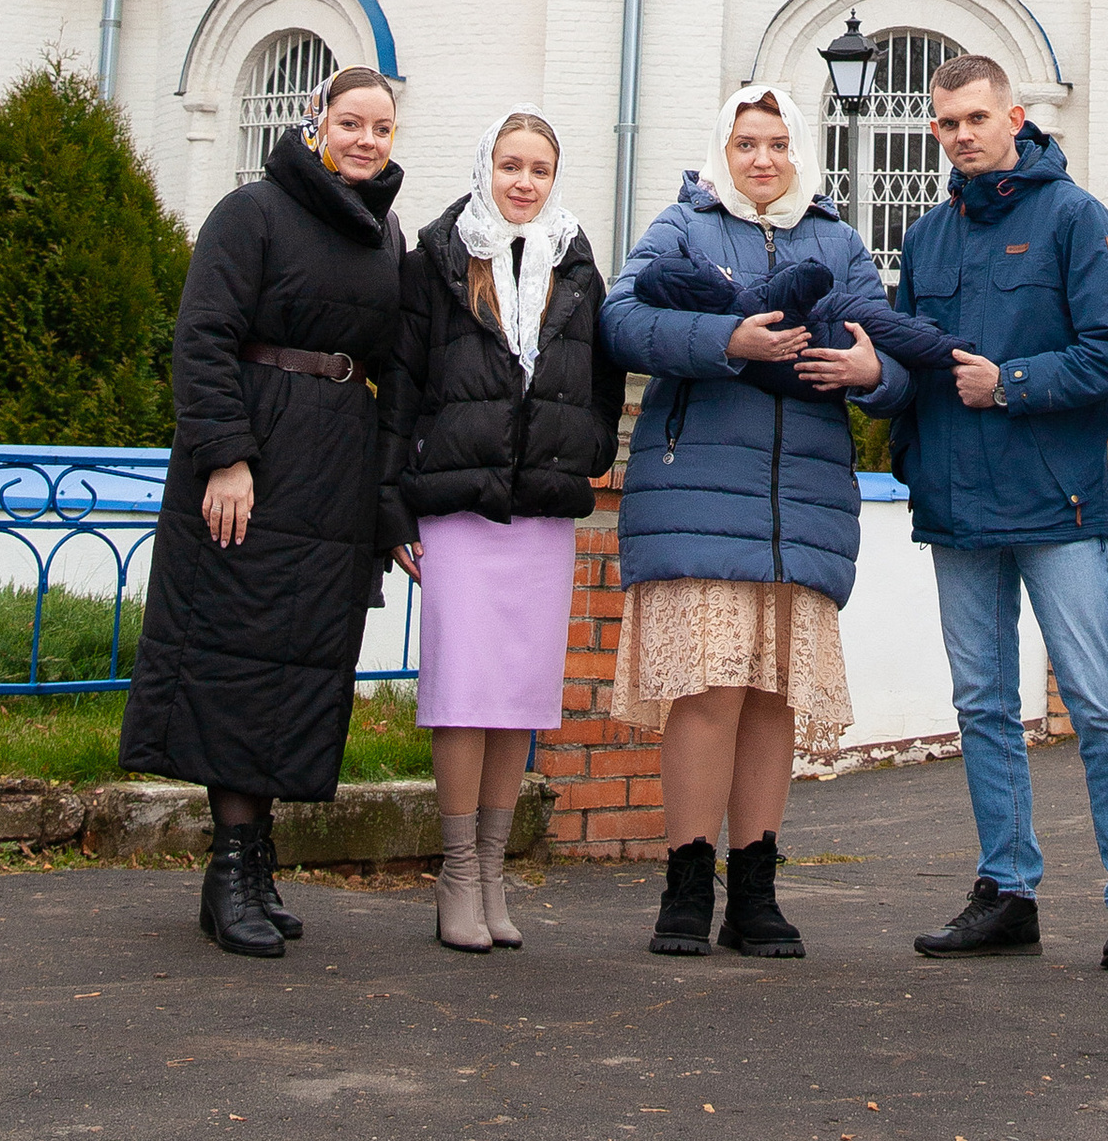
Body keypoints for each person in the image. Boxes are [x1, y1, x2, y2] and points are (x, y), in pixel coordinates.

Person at [602, 86, 909, 960]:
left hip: (802, 505)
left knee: (774, 698)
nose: (763, 159)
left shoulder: (837, 241)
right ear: (723, 150)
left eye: (777, 143)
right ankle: (686, 884)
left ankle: (756, 893)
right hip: (698, 494)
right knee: (707, 694)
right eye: (746, 143)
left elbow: (889, 353)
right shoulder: (683, 226)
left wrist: (871, 375)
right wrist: (726, 342)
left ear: (798, 149)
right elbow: (621, 320)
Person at [121, 65, 407, 960]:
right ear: (315, 122)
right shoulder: (251, 212)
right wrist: (226, 456)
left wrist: (387, 502)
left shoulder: (387, 233)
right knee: (235, 662)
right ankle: (229, 870)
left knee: (297, 669)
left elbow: (394, 364)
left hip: (335, 476)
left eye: (382, 128)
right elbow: (203, 335)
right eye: (350, 122)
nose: (366, 140)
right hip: (255, 466)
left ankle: (257, 864)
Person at [887, 53, 1108, 973]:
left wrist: (1009, 383)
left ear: (1014, 117)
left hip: (1056, 504)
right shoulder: (928, 238)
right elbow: (911, 364)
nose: (961, 134)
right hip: (958, 509)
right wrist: (879, 398)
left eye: (976, 117)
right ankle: (1007, 891)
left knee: (1096, 702)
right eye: (946, 122)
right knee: (983, 706)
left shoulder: (1076, 219)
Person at [381, 105, 622, 951]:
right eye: (510, 166)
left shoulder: (577, 265)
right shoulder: (437, 261)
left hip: (540, 514)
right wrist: (392, 503)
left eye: (539, 169)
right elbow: (402, 386)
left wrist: (585, 449)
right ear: (487, 167)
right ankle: (456, 873)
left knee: (517, 692)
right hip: (458, 507)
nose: (524, 182)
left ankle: (493, 870)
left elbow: (601, 384)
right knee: (463, 693)